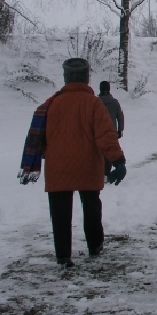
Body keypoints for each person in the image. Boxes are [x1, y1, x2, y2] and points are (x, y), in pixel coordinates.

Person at [44, 58, 126, 267]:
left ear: (66, 77)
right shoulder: (93, 104)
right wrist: (118, 161)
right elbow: (106, 135)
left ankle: (63, 255)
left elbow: (41, 137)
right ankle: (95, 245)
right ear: (86, 77)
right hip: (87, 165)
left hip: (58, 167)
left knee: (60, 212)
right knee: (91, 207)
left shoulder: (52, 103)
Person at [98, 80, 124, 176]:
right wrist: (120, 129)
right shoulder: (114, 103)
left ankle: (99, 171)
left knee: (99, 152)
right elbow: (120, 117)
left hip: (98, 132)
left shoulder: (95, 102)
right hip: (111, 132)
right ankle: (106, 172)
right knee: (109, 151)